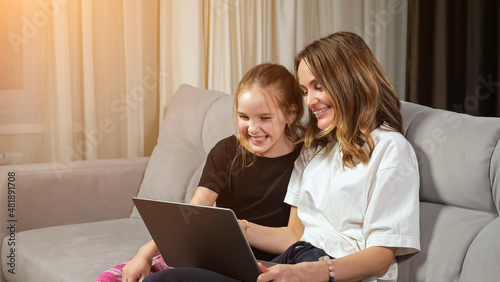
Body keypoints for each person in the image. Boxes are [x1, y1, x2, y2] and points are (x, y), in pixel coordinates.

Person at [145, 32, 420, 282]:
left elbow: (382, 255)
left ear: (351, 80)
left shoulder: (390, 150)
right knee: (165, 280)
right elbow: (293, 234)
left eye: (318, 87)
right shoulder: (316, 149)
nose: (309, 101)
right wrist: (236, 228)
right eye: (304, 91)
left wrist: (320, 271)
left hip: (331, 270)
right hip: (293, 258)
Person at [96, 63, 306, 282]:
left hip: (272, 265)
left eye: (265, 118)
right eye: (244, 117)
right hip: (217, 257)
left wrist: (240, 227)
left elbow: (291, 238)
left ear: (290, 114)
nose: (252, 129)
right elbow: (192, 213)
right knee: (110, 279)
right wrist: (145, 253)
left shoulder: (304, 160)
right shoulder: (227, 151)